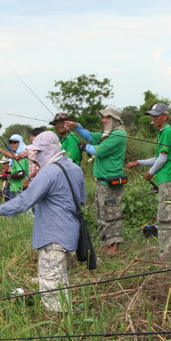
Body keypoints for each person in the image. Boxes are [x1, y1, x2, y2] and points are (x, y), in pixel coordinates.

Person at [0, 131, 85, 312]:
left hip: (54, 237)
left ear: (49, 151)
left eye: (38, 152)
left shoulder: (48, 173)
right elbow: (82, 199)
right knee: (62, 281)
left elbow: (24, 201)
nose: (35, 157)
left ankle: (58, 326)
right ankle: (66, 318)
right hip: (72, 233)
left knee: (51, 286)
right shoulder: (74, 168)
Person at [68, 105, 127, 254]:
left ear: (114, 119)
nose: (104, 120)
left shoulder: (118, 135)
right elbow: (90, 136)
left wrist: (84, 147)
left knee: (111, 213)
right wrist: (77, 127)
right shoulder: (108, 133)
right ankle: (106, 244)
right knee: (101, 213)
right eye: (103, 117)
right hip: (102, 181)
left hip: (110, 181)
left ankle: (114, 246)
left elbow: (97, 150)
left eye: (107, 117)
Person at [126, 103, 171, 258]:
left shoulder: (168, 132)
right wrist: (139, 162)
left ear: (165, 116)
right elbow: (158, 158)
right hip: (165, 180)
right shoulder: (163, 133)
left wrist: (150, 173)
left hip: (169, 179)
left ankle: (167, 255)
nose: (154, 118)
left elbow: (163, 158)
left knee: (167, 217)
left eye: (157, 115)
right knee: (163, 215)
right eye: (152, 115)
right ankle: (166, 251)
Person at [5, 135, 30, 200]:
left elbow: (21, 173)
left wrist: (7, 177)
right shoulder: (23, 154)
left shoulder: (19, 156)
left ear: (20, 143)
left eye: (15, 142)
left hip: (18, 189)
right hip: (17, 188)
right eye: (10, 142)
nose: (12, 144)